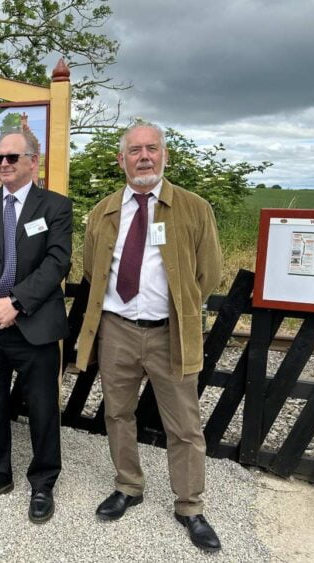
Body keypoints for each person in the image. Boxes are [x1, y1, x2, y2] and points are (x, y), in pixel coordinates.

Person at [75, 122, 223, 552]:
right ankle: (128, 486)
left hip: (170, 332)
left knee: (185, 426)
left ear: (165, 156)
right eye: (134, 150)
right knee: (118, 414)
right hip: (117, 329)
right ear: (121, 160)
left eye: (152, 149)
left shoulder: (194, 208)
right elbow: (91, 269)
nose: (144, 157)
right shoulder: (104, 211)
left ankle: (190, 506)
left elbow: (208, 274)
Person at [0, 130, 72, 523]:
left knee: (42, 409)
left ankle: (43, 483)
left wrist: (17, 303)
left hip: (34, 325)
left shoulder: (55, 206)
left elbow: (57, 262)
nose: (3, 164)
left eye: (12, 157)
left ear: (32, 161)